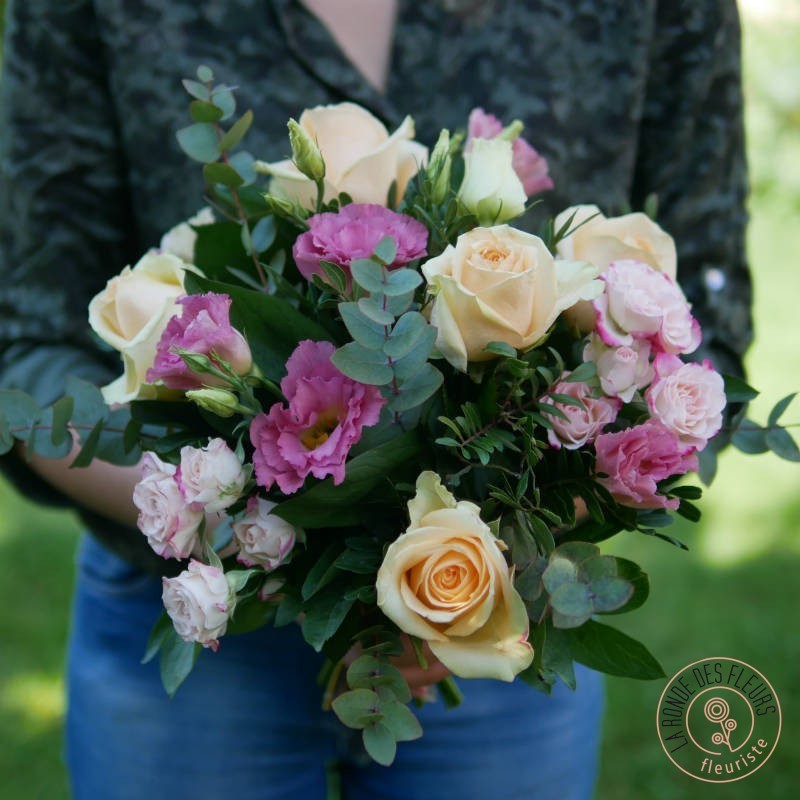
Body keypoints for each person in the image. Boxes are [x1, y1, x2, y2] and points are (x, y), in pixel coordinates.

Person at [0, 1, 751, 798]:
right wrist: (240, 526)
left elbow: (705, 334)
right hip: (198, 616)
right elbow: (26, 348)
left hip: (503, 632)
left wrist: (475, 574)